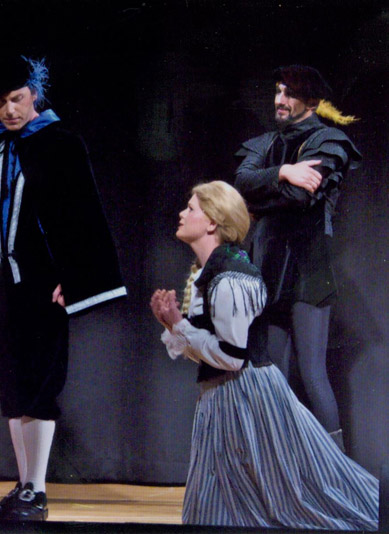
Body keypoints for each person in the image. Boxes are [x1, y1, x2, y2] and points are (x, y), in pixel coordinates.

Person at [0, 55, 126, 521]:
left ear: (34, 94)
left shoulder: (60, 142)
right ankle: (24, 485)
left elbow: (83, 215)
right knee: (10, 383)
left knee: (40, 381)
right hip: (0, 279)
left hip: (43, 282)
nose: (10, 110)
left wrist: (76, 276)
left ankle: (38, 488)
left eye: (17, 99)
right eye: (0, 103)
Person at [151, 181, 378, 529]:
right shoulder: (211, 273)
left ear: (212, 222)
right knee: (219, 505)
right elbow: (212, 354)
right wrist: (173, 325)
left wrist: (180, 327)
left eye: (191, 208)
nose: (182, 213)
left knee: (288, 501)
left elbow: (231, 357)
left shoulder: (231, 278)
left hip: (248, 397)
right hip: (223, 398)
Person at [234, 65, 361, 451]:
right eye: (278, 91)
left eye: (289, 93)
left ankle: (336, 471)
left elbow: (299, 197)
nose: (280, 100)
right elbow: (241, 182)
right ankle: (284, 465)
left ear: (312, 101)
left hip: (308, 266)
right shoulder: (266, 143)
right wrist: (285, 171)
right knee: (272, 372)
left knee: (311, 371)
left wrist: (261, 196)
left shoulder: (329, 141)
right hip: (269, 264)